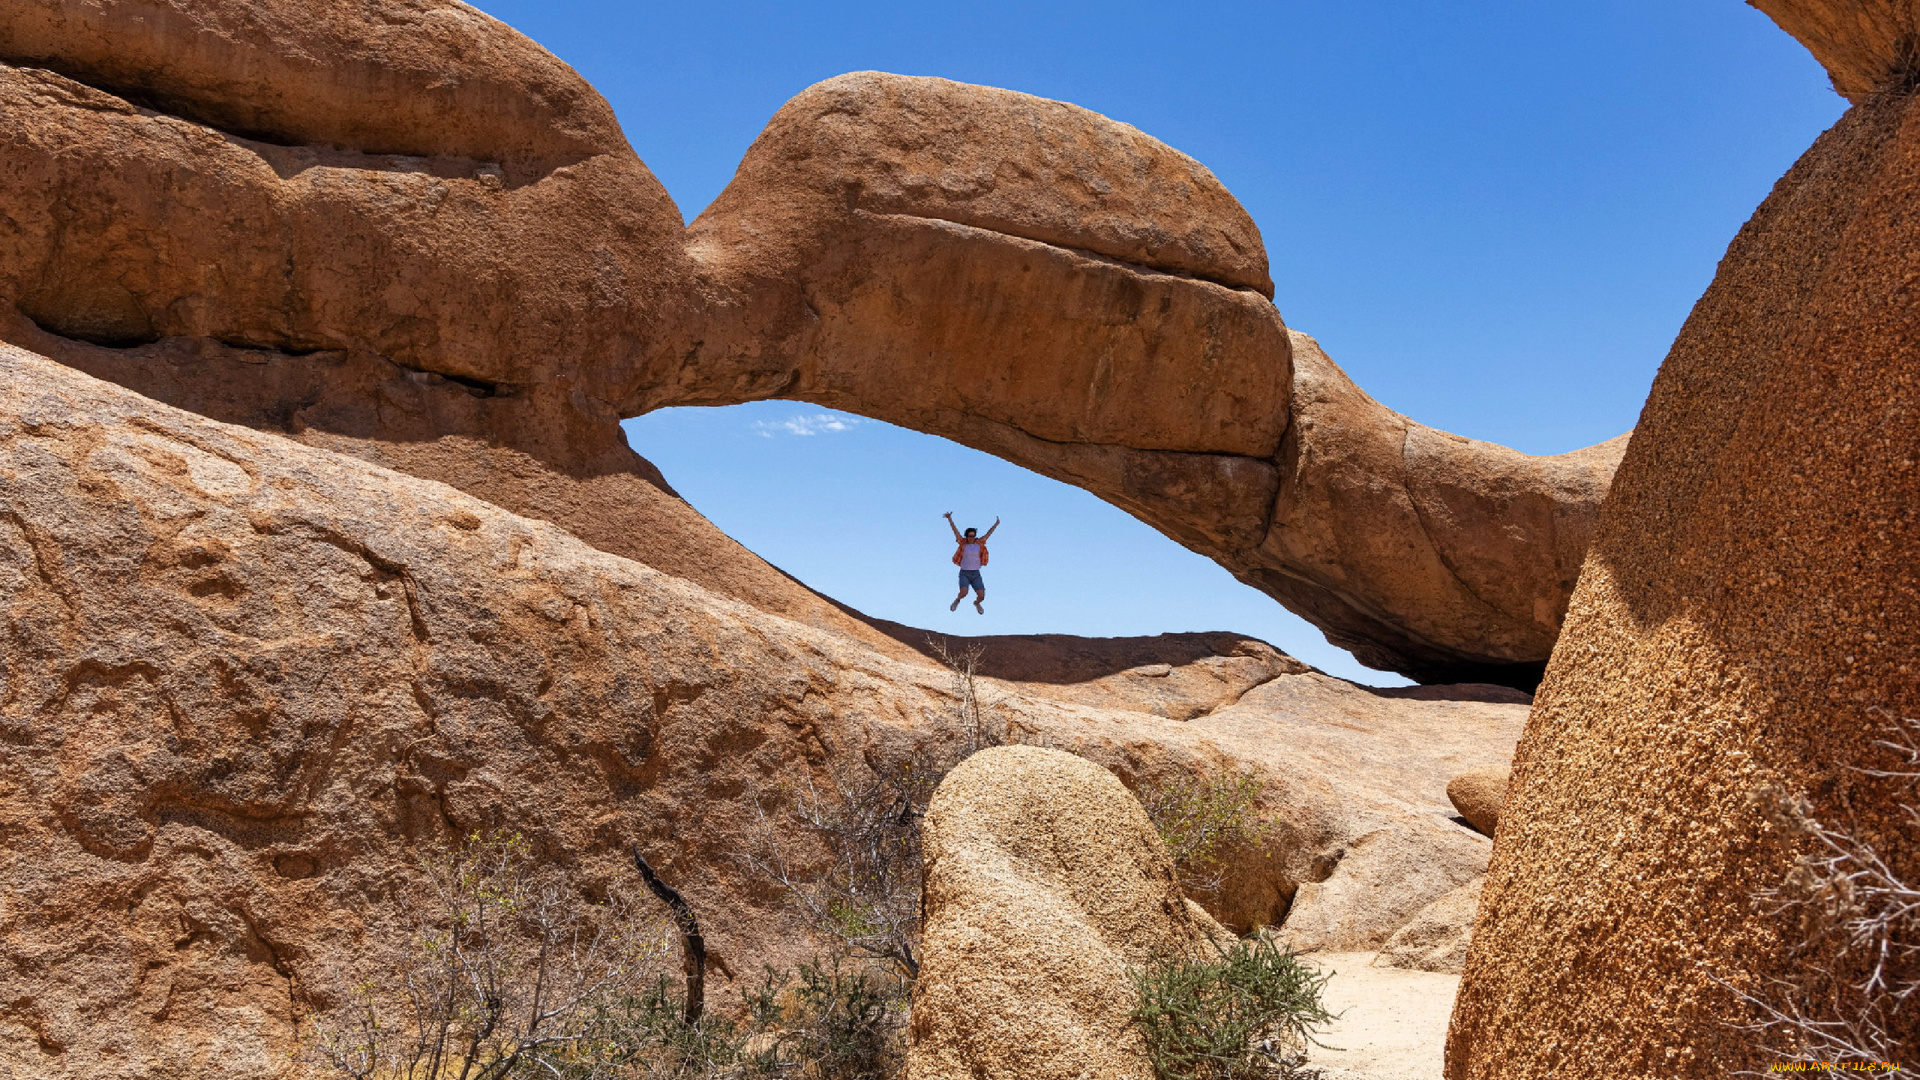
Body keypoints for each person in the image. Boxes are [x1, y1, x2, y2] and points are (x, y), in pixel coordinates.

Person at [945, 511, 999, 613]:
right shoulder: (963, 543)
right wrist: (949, 519)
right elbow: (955, 531)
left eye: (973, 535)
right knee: (964, 592)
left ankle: (977, 603)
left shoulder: (979, 543)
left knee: (982, 596)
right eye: (970, 536)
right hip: (965, 572)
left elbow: (989, 534)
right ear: (967, 536)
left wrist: (996, 524)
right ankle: (957, 600)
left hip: (976, 574)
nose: (972, 537)